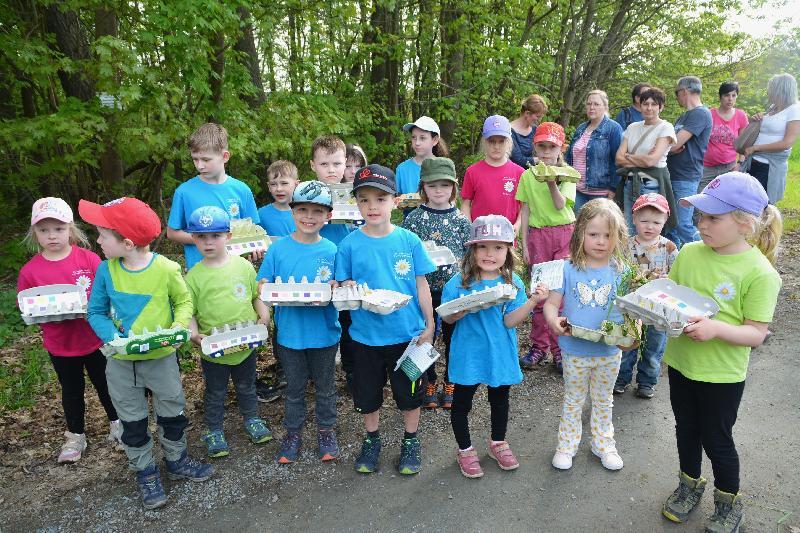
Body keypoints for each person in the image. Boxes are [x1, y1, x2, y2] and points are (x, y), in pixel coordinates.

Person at [659, 172, 782, 533]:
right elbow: (674, 298)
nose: (701, 224)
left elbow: (756, 334)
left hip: (722, 375)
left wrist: (716, 329)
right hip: (682, 364)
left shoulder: (760, 272)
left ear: (744, 223)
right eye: (700, 215)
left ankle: (729, 502)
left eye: (713, 217)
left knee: (717, 439)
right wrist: (655, 310)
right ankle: (689, 485)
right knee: (686, 430)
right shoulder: (690, 252)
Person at [81, 197, 212, 510]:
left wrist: (179, 328)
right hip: (121, 363)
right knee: (133, 421)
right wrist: (113, 338)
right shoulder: (106, 271)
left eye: (102, 234)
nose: (97, 240)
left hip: (161, 358)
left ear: (126, 242)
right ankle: (145, 471)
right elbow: (96, 311)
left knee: (172, 412)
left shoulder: (166, 268)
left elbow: (183, 303)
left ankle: (176, 459)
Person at [334, 164, 436, 475]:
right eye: (364, 200)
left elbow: (421, 285)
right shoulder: (349, 244)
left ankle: (410, 439)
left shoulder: (409, 241)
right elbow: (341, 286)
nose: (372, 206)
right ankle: (372, 439)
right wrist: (345, 286)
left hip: (407, 336)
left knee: (409, 393)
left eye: (380, 198)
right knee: (368, 394)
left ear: (395, 201)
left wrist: (429, 326)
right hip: (365, 337)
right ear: (356, 204)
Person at [442, 215, 549, 478]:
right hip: (468, 352)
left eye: (498, 247)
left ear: (509, 251)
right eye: (483, 247)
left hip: (499, 351)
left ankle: (497, 443)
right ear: (472, 249)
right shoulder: (458, 282)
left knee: (500, 400)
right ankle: (465, 449)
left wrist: (533, 301)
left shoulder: (513, 283)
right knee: (461, 402)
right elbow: (446, 317)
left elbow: (510, 321)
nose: (490, 253)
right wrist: (459, 310)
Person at [17, 197, 121, 464]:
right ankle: (76, 435)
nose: (52, 236)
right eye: (44, 230)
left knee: (106, 384)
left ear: (71, 229)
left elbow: (107, 293)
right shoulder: (31, 271)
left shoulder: (88, 259)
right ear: (34, 233)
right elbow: (27, 305)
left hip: (95, 338)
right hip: (61, 344)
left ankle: (117, 423)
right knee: (71, 390)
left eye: (59, 229)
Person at [543, 198, 630, 472]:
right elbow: (551, 303)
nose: (601, 241)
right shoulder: (567, 267)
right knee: (574, 399)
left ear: (618, 237)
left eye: (608, 235)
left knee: (604, 399)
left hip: (609, 351)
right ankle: (566, 445)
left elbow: (630, 310)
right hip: (574, 350)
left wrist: (632, 333)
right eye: (594, 234)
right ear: (580, 233)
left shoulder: (622, 271)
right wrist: (552, 320)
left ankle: (603, 444)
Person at [258, 182, 342, 464]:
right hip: (290, 335)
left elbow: (341, 286)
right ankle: (292, 433)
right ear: (292, 212)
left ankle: (326, 430)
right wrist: (265, 289)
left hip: (324, 334)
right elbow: (263, 284)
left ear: (328, 215)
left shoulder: (332, 250)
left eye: (317, 211)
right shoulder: (278, 249)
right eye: (302, 209)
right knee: (294, 389)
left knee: (325, 386)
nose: (309, 216)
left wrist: (336, 285)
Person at [184, 206, 272, 458]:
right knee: (215, 390)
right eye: (201, 237)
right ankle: (213, 429)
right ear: (194, 239)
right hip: (214, 347)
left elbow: (256, 296)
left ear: (229, 237)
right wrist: (193, 333)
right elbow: (189, 312)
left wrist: (263, 313)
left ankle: (252, 419)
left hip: (245, 344)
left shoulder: (243, 267)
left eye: (215, 235)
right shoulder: (194, 277)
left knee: (247, 385)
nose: (208, 242)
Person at [402, 157, 471, 409]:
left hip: (453, 290)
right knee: (426, 335)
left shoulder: (462, 220)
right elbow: (406, 254)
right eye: (432, 185)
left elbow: (470, 255)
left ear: (454, 187)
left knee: (454, 337)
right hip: (424, 290)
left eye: (445, 184)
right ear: (423, 188)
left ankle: (450, 382)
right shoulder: (414, 220)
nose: (439, 190)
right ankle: (428, 381)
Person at [515, 122, 577, 371]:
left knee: (559, 295)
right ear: (535, 147)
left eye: (552, 147)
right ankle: (538, 347)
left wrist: (552, 181)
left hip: (564, 234)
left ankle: (560, 349)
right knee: (540, 292)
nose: (546, 152)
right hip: (538, 235)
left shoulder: (568, 173)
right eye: (542, 146)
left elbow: (562, 205)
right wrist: (525, 242)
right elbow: (525, 209)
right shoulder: (527, 175)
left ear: (561, 148)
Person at [167, 123, 260, 270]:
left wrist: (255, 249)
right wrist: (206, 239)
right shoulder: (184, 192)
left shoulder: (242, 190)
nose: (199, 166)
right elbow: (172, 233)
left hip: (236, 272)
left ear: (225, 156)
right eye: (195, 159)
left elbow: (252, 230)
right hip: (199, 273)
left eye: (206, 159)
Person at [613, 193, 677, 399]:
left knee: (654, 345)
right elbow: (616, 270)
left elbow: (677, 276)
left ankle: (647, 381)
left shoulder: (669, 247)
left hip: (658, 307)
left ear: (665, 220)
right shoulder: (625, 245)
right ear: (633, 219)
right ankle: (620, 378)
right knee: (627, 343)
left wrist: (668, 280)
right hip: (631, 305)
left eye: (656, 222)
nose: (650, 226)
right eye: (644, 221)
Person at [615, 87, 678, 232]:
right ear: (640, 105)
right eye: (645, 104)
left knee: (648, 229)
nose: (649, 108)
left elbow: (651, 161)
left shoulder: (665, 127)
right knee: (628, 229)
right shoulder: (632, 127)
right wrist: (642, 158)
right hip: (630, 183)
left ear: (661, 107)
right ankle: (630, 255)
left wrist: (629, 156)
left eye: (654, 104)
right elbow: (618, 158)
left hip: (651, 184)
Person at [666, 76, 713, 248]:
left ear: (685, 91)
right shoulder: (683, 117)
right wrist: (669, 148)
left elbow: (674, 143)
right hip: (672, 174)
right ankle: (677, 260)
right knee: (671, 224)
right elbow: (671, 145)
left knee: (682, 223)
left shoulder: (700, 114)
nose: (677, 97)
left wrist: (668, 148)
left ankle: (708, 253)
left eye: (676, 93)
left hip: (685, 176)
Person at [741, 73, 800, 204]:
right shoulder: (773, 107)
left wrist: (756, 148)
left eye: (771, 88)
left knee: (761, 204)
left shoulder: (795, 109)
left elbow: (787, 143)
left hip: (768, 167)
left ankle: (766, 225)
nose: (768, 92)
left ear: (781, 90)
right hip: (753, 161)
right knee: (747, 201)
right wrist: (754, 119)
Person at [461, 115, 525, 232]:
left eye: (501, 141)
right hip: (480, 236)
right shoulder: (472, 171)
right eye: (492, 141)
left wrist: (518, 225)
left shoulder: (519, 173)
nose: (496, 146)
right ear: (484, 142)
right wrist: (469, 227)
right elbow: (465, 204)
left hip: (507, 237)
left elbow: (524, 206)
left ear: (509, 142)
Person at [566, 90, 624, 213]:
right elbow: (569, 158)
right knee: (579, 228)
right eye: (589, 104)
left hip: (600, 193)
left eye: (596, 104)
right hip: (577, 190)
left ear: (605, 107)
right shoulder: (581, 128)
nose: (592, 107)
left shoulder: (613, 128)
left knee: (597, 229)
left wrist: (613, 190)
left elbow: (618, 162)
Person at [701, 82, 749, 192]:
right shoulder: (709, 114)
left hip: (730, 167)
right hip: (706, 167)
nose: (730, 99)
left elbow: (744, 144)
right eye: (726, 95)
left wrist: (739, 164)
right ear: (720, 97)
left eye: (733, 95)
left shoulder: (741, 116)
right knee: (701, 199)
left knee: (725, 201)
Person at [311, 135, 352, 245]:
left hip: (346, 251)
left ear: (345, 163)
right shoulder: (305, 194)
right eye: (324, 164)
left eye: (337, 164)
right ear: (313, 165)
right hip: (315, 251)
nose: (331, 170)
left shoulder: (356, 194)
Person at [396, 116, 449, 195]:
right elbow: (395, 199)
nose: (417, 143)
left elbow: (451, 199)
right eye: (414, 137)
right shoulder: (402, 169)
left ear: (434, 140)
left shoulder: (444, 167)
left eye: (422, 138)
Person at [257, 160, 299, 236]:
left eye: (284, 183)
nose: (279, 189)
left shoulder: (305, 213)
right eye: (273, 184)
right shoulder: (261, 214)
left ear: (296, 185)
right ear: (269, 187)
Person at [510, 94, 548, 168]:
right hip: (513, 175)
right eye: (537, 116)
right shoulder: (509, 131)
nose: (539, 120)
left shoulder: (535, 130)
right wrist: (541, 159)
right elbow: (518, 160)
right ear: (527, 113)